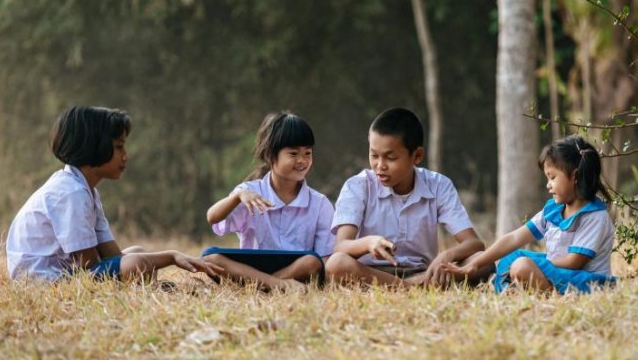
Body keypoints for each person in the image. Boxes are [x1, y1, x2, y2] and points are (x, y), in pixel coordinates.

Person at [6, 106, 223, 282]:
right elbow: (88, 266)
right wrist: (172, 256)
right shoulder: (70, 193)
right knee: (135, 263)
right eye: (119, 147)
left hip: (67, 272)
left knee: (137, 253)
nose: (126, 156)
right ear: (94, 147)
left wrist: (145, 262)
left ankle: (149, 288)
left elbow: (112, 257)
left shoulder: (86, 190)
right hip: (42, 280)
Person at [326, 107, 492, 286]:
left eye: (390, 158)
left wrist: (446, 256)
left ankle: (411, 284)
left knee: (483, 261)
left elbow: (474, 243)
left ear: (417, 156)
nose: (379, 165)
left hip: (423, 271)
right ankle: (410, 287)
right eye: (374, 155)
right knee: (336, 264)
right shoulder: (357, 186)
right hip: (371, 273)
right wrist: (367, 243)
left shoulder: (438, 185)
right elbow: (340, 247)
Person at [444, 136, 616, 294]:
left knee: (521, 265)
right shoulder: (554, 210)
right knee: (510, 258)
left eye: (552, 177)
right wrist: (476, 264)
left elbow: (574, 262)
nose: (548, 185)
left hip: (587, 282)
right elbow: (514, 238)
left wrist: (535, 264)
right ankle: (508, 291)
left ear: (575, 176)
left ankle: (553, 297)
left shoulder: (595, 217)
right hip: (558, 273)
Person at [203, 112, 334, 291]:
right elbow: (212, 218)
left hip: (293, 271)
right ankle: (278, 285)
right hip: (251, 269)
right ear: (271, 156)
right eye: (293, 153)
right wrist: (236, 197)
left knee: (312, 261)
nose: (302, 160)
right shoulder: (248, 192)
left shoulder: (320, 204)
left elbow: (324, 260)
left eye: (307, 153)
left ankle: (261, 286)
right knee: (210, 259)